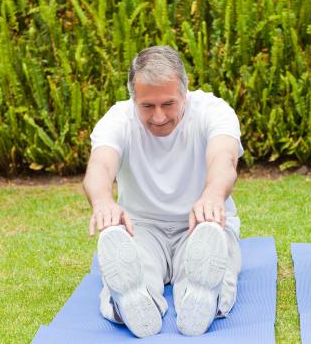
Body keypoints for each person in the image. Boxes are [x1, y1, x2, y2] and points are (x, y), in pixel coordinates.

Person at [83, 45, 242, 338]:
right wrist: (104, 202)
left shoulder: (214, 111)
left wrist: (212, 196)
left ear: (185, 91)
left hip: (201, 223)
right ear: (133, 98)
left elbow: (224, 158)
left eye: (168, 104)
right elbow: (100, 166)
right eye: (147, 106)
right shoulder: (117, 119)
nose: (158, 117)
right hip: (141, 227)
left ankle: (205, 297)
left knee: (211, 252)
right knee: (135, 266)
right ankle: (129, 300)